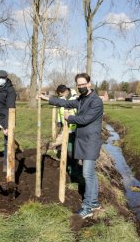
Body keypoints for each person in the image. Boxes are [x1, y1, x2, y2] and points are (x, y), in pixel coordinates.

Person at [39, 73, 104, 219]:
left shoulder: (96, 101)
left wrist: (70, 118)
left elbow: (85, 119)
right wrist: (48, 99)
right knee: (90, 174)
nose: (81, 87)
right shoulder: (82, 99)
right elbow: (67, 103)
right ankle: (94, 202)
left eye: (83, 84)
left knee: (87, 173)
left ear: (89, 84)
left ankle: (87, 207)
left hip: (91, 142)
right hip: (84, 141)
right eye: (78, 85)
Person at [49, 85, 79, 178]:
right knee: (66, 150)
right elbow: (60, 111)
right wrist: (59, 121)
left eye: (60, 94)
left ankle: (73, 170)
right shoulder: (63, 99)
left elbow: (79, 113)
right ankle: (67, 167)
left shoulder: (75, 98)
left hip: (75, 129)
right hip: (66, 129)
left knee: (71, 151)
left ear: (63, 92)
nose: (59, 96)